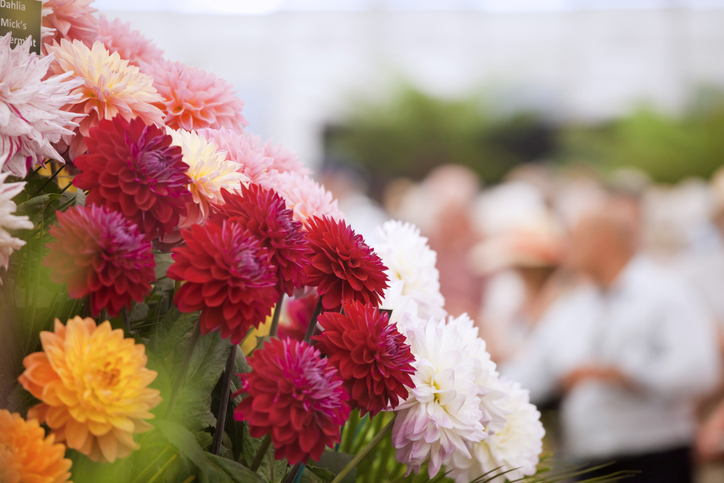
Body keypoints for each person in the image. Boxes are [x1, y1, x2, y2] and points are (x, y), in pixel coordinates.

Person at [502, 200, 721, 483]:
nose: (566, 249)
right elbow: (530, 371)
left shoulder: (667, 292)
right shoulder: (572, 306)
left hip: (656, 458)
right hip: (589, 461)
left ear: (602, 242)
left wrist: (624, 375)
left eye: (575, 238)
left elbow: (700, 369)